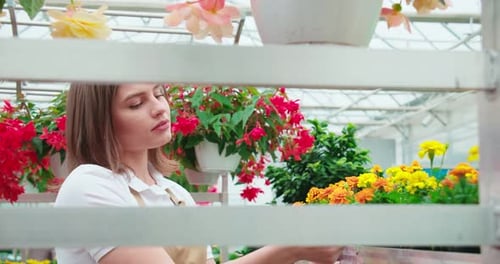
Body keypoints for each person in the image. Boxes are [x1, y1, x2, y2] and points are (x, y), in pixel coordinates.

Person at [54, 83, 345, 264]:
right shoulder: (90, 186)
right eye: (136, 103)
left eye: (159, 94)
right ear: (100, 121)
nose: (159, 108)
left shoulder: (175, 194)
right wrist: (287, 250)